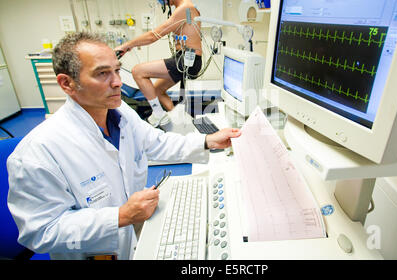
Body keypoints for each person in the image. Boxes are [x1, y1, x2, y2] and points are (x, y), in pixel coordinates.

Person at [6, 32, 240, 260]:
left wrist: (208, 140)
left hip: (135, 236)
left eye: (117, 70)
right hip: (97, 250)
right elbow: (40, 232)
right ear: (67, 83)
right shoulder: (37, 153)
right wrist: (120, 216)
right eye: (102, 74)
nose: (118, 82)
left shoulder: (120, 113)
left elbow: (156, 142)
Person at [115, 0, 203, 127]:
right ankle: (177, 120)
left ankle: (159, 115)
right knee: (156, 90)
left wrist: (127, 45)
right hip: (184, 58)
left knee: (137, 71)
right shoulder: (183, 8)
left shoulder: (184, 8)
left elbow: (153, 36)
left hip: (187, 59)